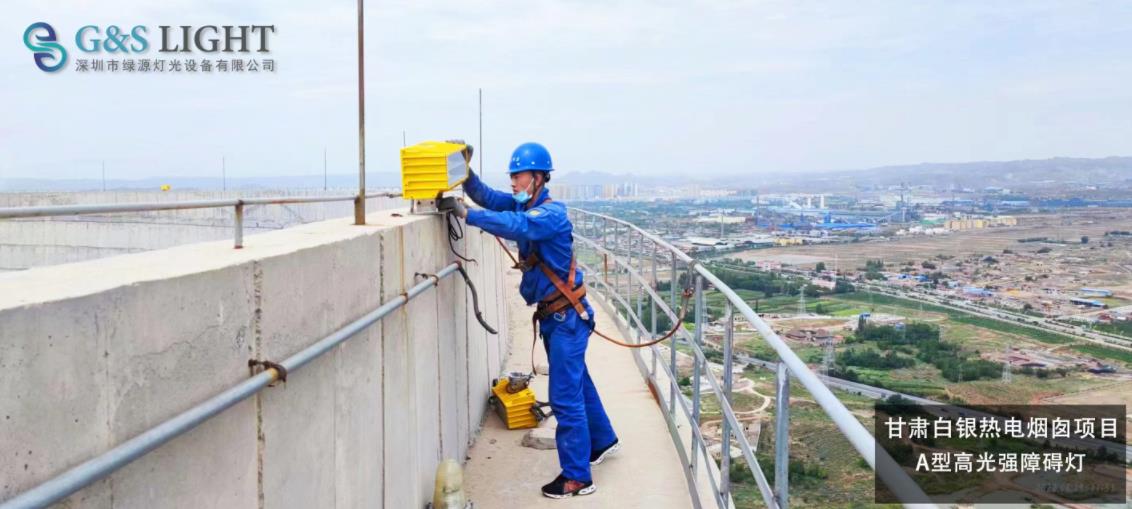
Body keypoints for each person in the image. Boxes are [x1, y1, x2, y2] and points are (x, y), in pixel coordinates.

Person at [441, 142, 620, 499]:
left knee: (565, 398)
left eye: (518, 176)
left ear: (538, 178)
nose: (512, 182)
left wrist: (465, 214)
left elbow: (516, 224)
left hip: (566, 317)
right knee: (578, 382)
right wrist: (465, 175)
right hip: (559, 316)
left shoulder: (549, 214)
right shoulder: (529, 203)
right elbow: (491, 199)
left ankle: (577, 478)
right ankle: (601, 441)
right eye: (512, 175)